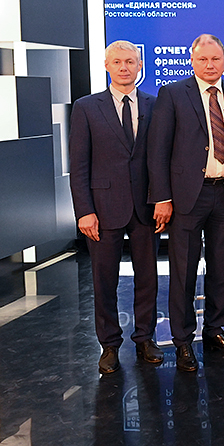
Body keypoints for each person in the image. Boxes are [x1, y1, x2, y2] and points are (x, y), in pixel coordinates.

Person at [147, 34, 224, 372]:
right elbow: (158, 150)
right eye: (203, 59)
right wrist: (162, 198)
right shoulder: (173, 93)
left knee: (223, 268)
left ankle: (215, 330)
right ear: (192, 61)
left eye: (215, 59)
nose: (209, 65)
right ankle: (182, 341)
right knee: (184, 271)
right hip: (186, 197)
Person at [69, 40, 162, 374]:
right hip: (103, 208)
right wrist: (84, 210)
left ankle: (145, 338)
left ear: (140, 66)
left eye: (130, 62)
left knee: (147, 277)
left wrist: (162, 199)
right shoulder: (86, 107)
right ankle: (109, 344)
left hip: (145, 207)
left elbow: (161, 159)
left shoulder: (155, 105)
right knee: (104, 280)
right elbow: (79, 164)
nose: (124, 67)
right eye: (118, 62)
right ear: (106, 66)